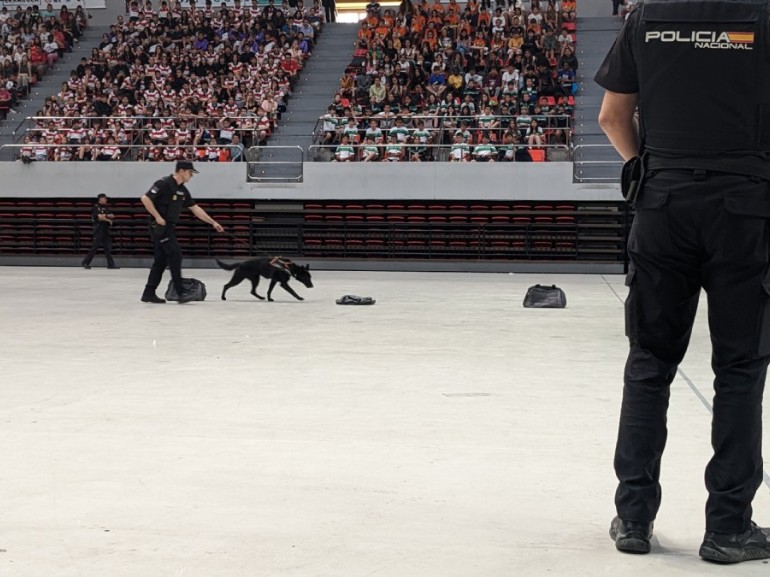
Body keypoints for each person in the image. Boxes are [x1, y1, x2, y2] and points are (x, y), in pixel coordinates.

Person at [596, 0, 770, 563]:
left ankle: (634, 519)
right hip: (747, 211)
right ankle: (728, 528)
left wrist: (649, 170)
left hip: (663, 204)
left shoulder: (647, 17)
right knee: (740, 370)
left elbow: (611, 117)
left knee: (649, 363)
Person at [140, 161, 224, 304]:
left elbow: (195, 209)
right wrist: (158, 217)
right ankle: (180, 292)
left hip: (169, 227)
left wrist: (213, 222)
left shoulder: (182, 190)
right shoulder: (164, 183)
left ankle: (148, 293)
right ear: (181, 171)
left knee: (161, 261)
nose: (191, 175)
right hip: (160, 227)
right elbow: (145, 199)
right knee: (175, 254)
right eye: (190, 172)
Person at [81, 193, 118, 269]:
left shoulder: (106, 207)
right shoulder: (96, 207)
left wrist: (105, 216)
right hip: (99, 228)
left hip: (105, 228)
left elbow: (112, 215)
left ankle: (111, 264)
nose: (106, 200)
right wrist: (107, 218)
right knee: (95, 247)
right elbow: (100, 217)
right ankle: (85, 262)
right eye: (105, 198)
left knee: (107, 247)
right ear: (100, 199)